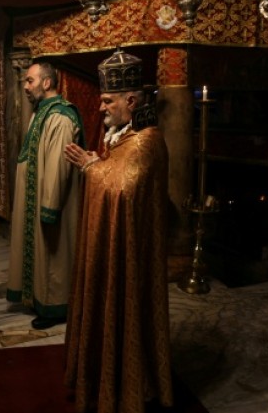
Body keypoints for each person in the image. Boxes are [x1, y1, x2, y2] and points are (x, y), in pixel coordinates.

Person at [62, 51, 172, 413]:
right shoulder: (120, 136)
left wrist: (93, 169)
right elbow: (115, 173)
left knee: (126, 309)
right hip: (110, 244)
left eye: (108, 101)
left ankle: (132, 385)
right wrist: (100, 164)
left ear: (131, 100)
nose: (101, 108)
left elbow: (124, 190)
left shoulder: (147, 141)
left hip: (133, 252)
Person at [7, 62, 85, 330]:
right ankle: (39, 297)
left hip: (53, 203)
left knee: (55, 256)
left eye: (29, 81)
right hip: (37, 198)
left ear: (47, 83)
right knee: (42, 256)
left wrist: (49, 207)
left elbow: (57, 166)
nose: (25, 86)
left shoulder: (60, 117)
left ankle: (56, 307)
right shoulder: (41, 113)